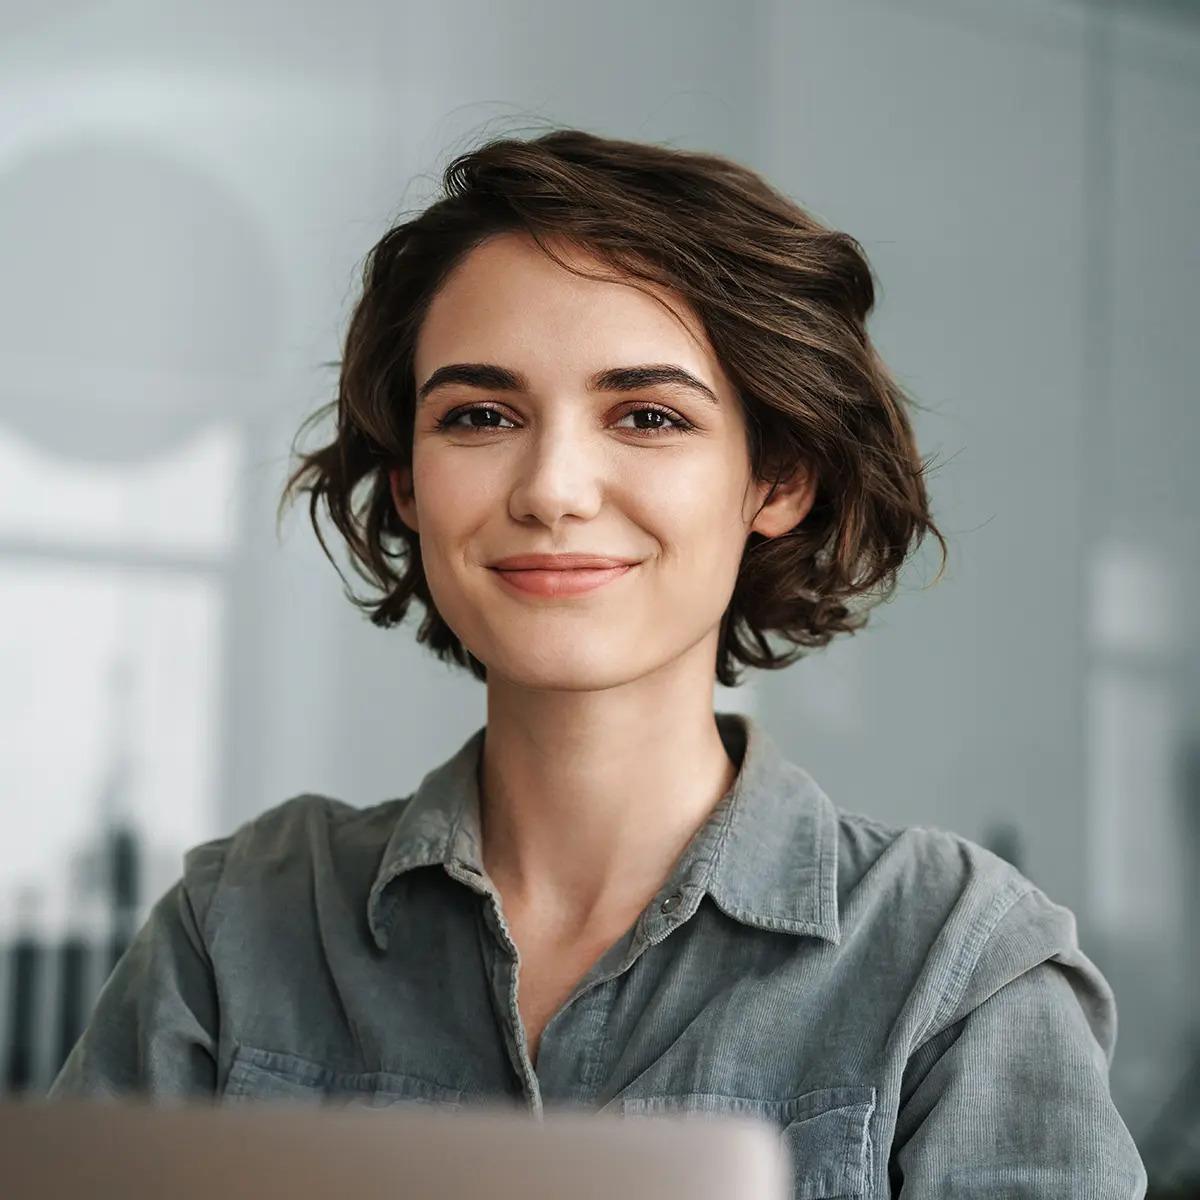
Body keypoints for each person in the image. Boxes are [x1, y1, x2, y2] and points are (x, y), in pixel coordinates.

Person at [49, 126, 1147, 1195]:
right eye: (480, 414)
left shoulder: (955, 964)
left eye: (647, 417)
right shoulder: (239, 927)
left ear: (779, 481)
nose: (553, 489)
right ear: (409, 485)